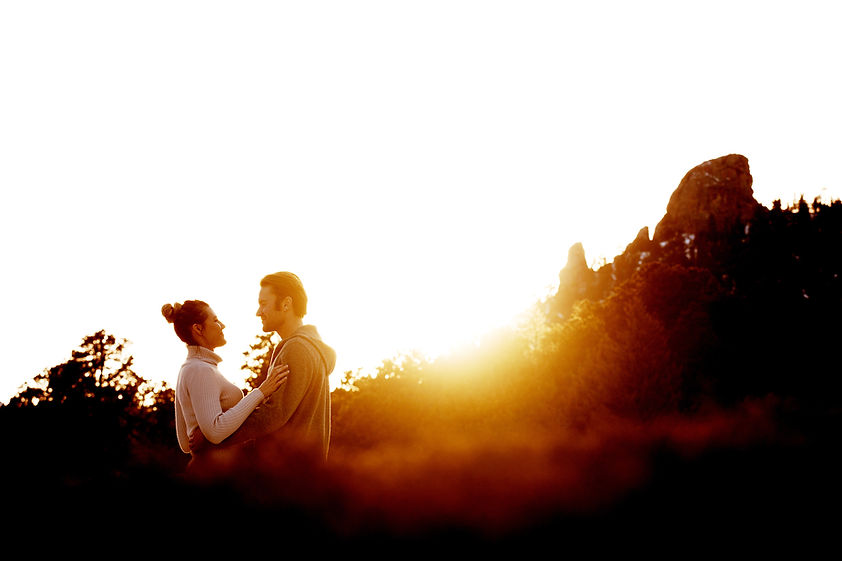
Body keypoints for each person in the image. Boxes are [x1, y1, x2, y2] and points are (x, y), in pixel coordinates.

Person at [190, 272, 336, 460]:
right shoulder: (308, 347)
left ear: (286, 304)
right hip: (300, 469)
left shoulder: (297, 349)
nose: (258, 312)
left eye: (263, 303)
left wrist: (213, 437)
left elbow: (272, 414)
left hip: (289, 471)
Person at [162, 300, 289, 472]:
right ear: (198, 329)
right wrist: (261, 391)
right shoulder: (200, 370)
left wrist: (205, 433)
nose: (222, 325)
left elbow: (186, 442)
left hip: (208, 470)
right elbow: (215, 432)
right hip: (216, 473)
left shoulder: (190, 368)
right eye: (215, 320)